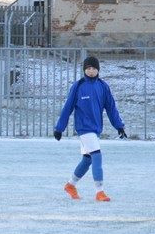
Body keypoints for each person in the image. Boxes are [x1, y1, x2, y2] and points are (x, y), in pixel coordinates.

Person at [53, 55, 125, 202]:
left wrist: (119, 126)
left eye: (93, 68)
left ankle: (70, 185)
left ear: (98, 70)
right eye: (88, 68)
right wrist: (59, 128)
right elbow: (68, 107)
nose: (91, 71)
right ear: (84, 70)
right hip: (84, 128)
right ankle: (99, 191)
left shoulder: (103, 86)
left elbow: (111, 108)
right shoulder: (78, 86)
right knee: (97, 155)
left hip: (96, 129)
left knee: (87, 160)